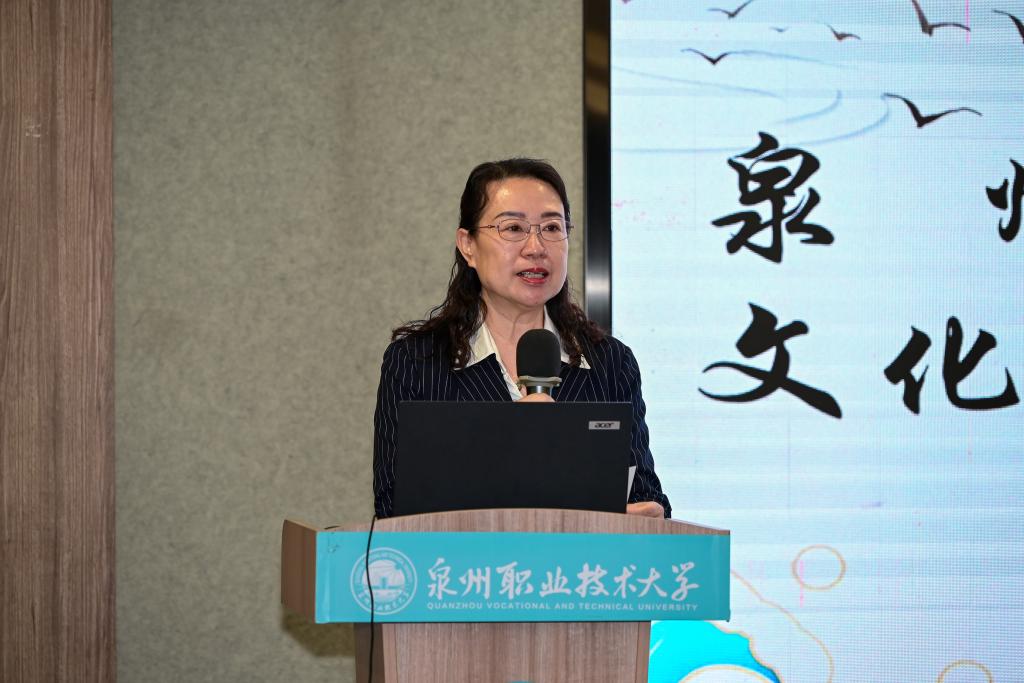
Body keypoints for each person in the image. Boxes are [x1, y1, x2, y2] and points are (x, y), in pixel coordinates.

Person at [373, 158, 671, 519]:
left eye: (551, 227)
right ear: (468, 245)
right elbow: (393, 508)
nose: (535, 247)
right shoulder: (417, 362)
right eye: (513, 228)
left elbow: (647, 498)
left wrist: (643, 513)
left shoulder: (610, 362)